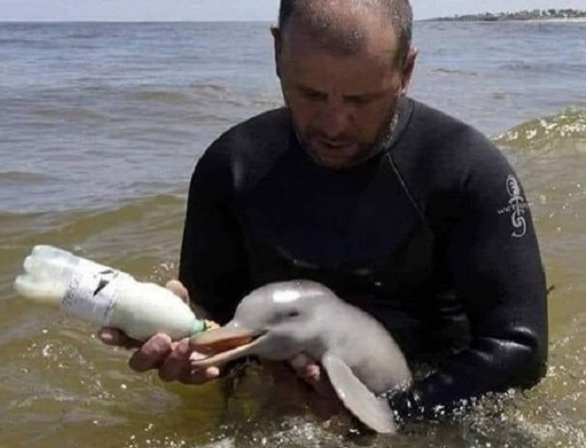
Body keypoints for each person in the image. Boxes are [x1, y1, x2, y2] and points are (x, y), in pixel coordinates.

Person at [100, 0, 548, 421]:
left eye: (361, 100)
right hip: (285, 398)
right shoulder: (232, 167)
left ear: (406, 70)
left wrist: (388, 416)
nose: (333, 125)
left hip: (429, 404)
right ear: (278, 52)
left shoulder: (464, 170)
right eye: (311, 94)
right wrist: (185, 342)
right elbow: (216, 325)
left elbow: (519, 349)